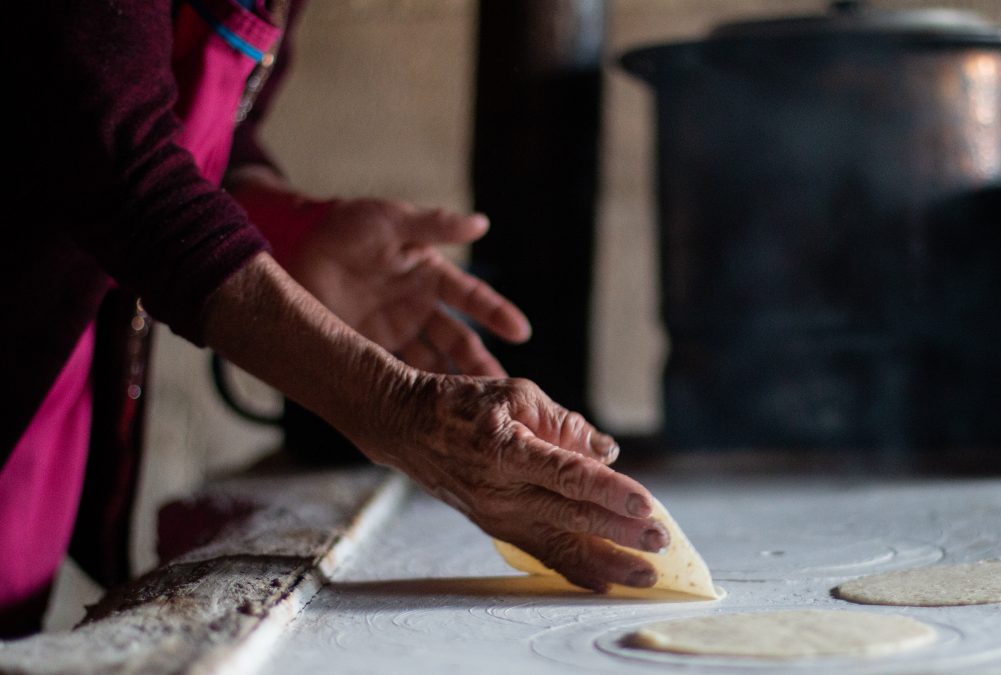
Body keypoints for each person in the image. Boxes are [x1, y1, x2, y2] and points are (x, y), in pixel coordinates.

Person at [4, 0, 667, 636]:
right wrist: (395, 406)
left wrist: (286, 227)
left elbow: (190, 127)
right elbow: (107, 153)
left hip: (35, 456)